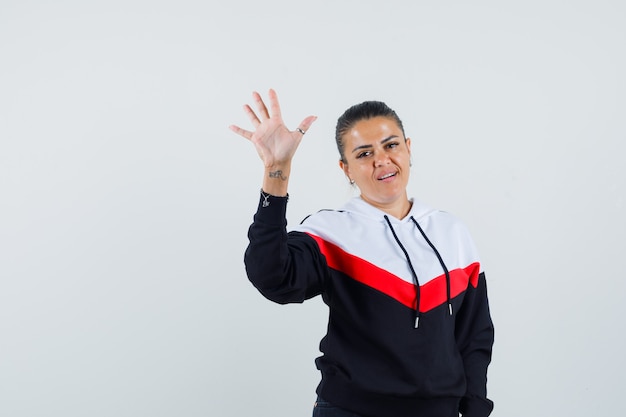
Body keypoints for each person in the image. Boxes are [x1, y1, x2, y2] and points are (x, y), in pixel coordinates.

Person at [229, 89, 494, 417]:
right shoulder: (331, 232)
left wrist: (475, 409)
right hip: (350, 409)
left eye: (391, 145)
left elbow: (474, 335)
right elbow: (272, 276)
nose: (382, 159)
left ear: (408, 149)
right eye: (364, 153)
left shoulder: (451, 233)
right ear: (346, 169)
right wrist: (276, 171)